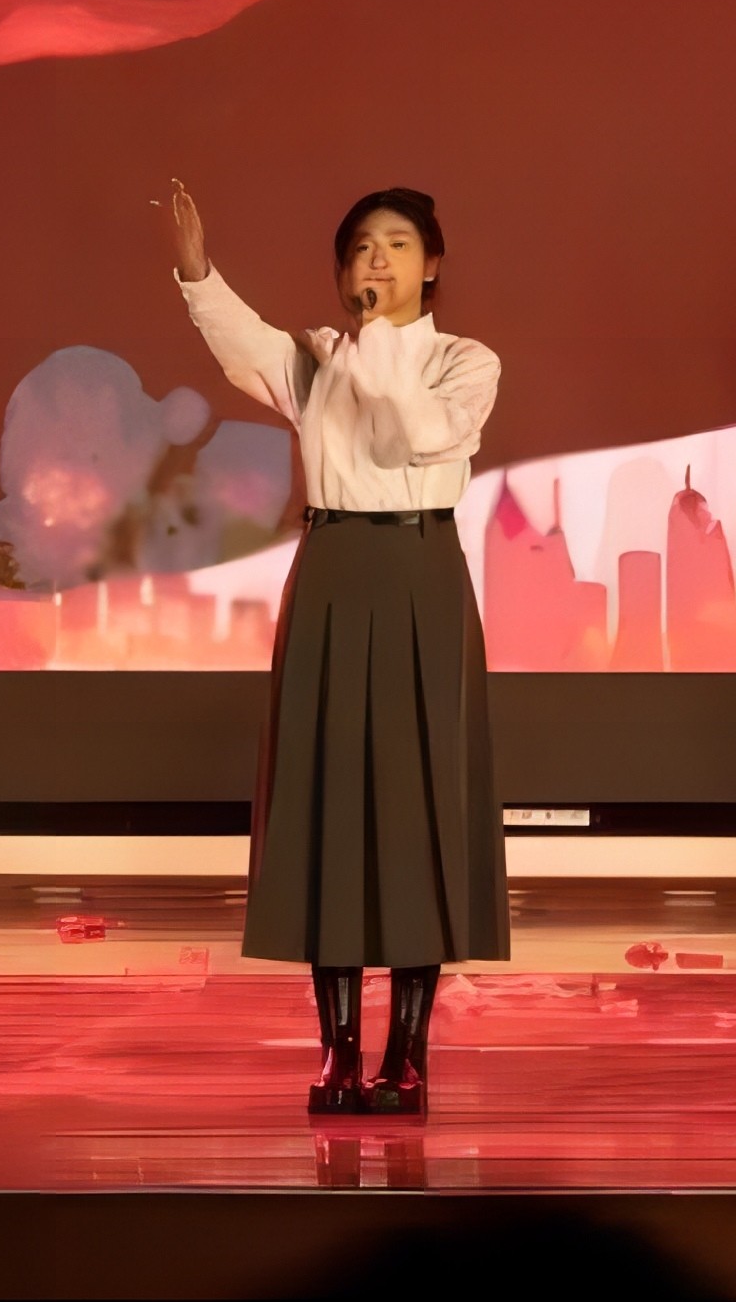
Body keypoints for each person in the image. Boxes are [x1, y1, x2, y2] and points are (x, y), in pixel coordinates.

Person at [164, 175, 506, 1116]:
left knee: (418, 807)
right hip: (331, 570)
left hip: (419, 575)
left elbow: (417, 436)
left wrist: (379, 337)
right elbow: (243, 343)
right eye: (361, 248)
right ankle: (339, 1051)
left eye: (396, 245)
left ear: (431, 266)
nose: (377, 260)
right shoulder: (316, 361)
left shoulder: (465, 363)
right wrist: (196, 270)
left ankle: (409, 1055)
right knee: (330, 806)